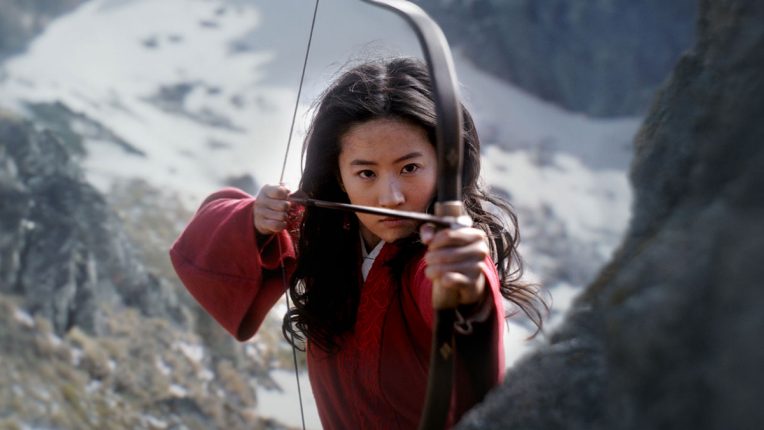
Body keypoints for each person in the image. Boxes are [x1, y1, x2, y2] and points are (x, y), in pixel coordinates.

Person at [170, 57, 546, 429]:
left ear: (445, 167)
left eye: (409, 168)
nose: (390, 197)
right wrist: (254, 221)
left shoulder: (437, 257)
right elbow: (205, 245)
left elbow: (459, 300)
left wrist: (465, 281)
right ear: (338, 175)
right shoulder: (325, 232)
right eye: (366, 173)